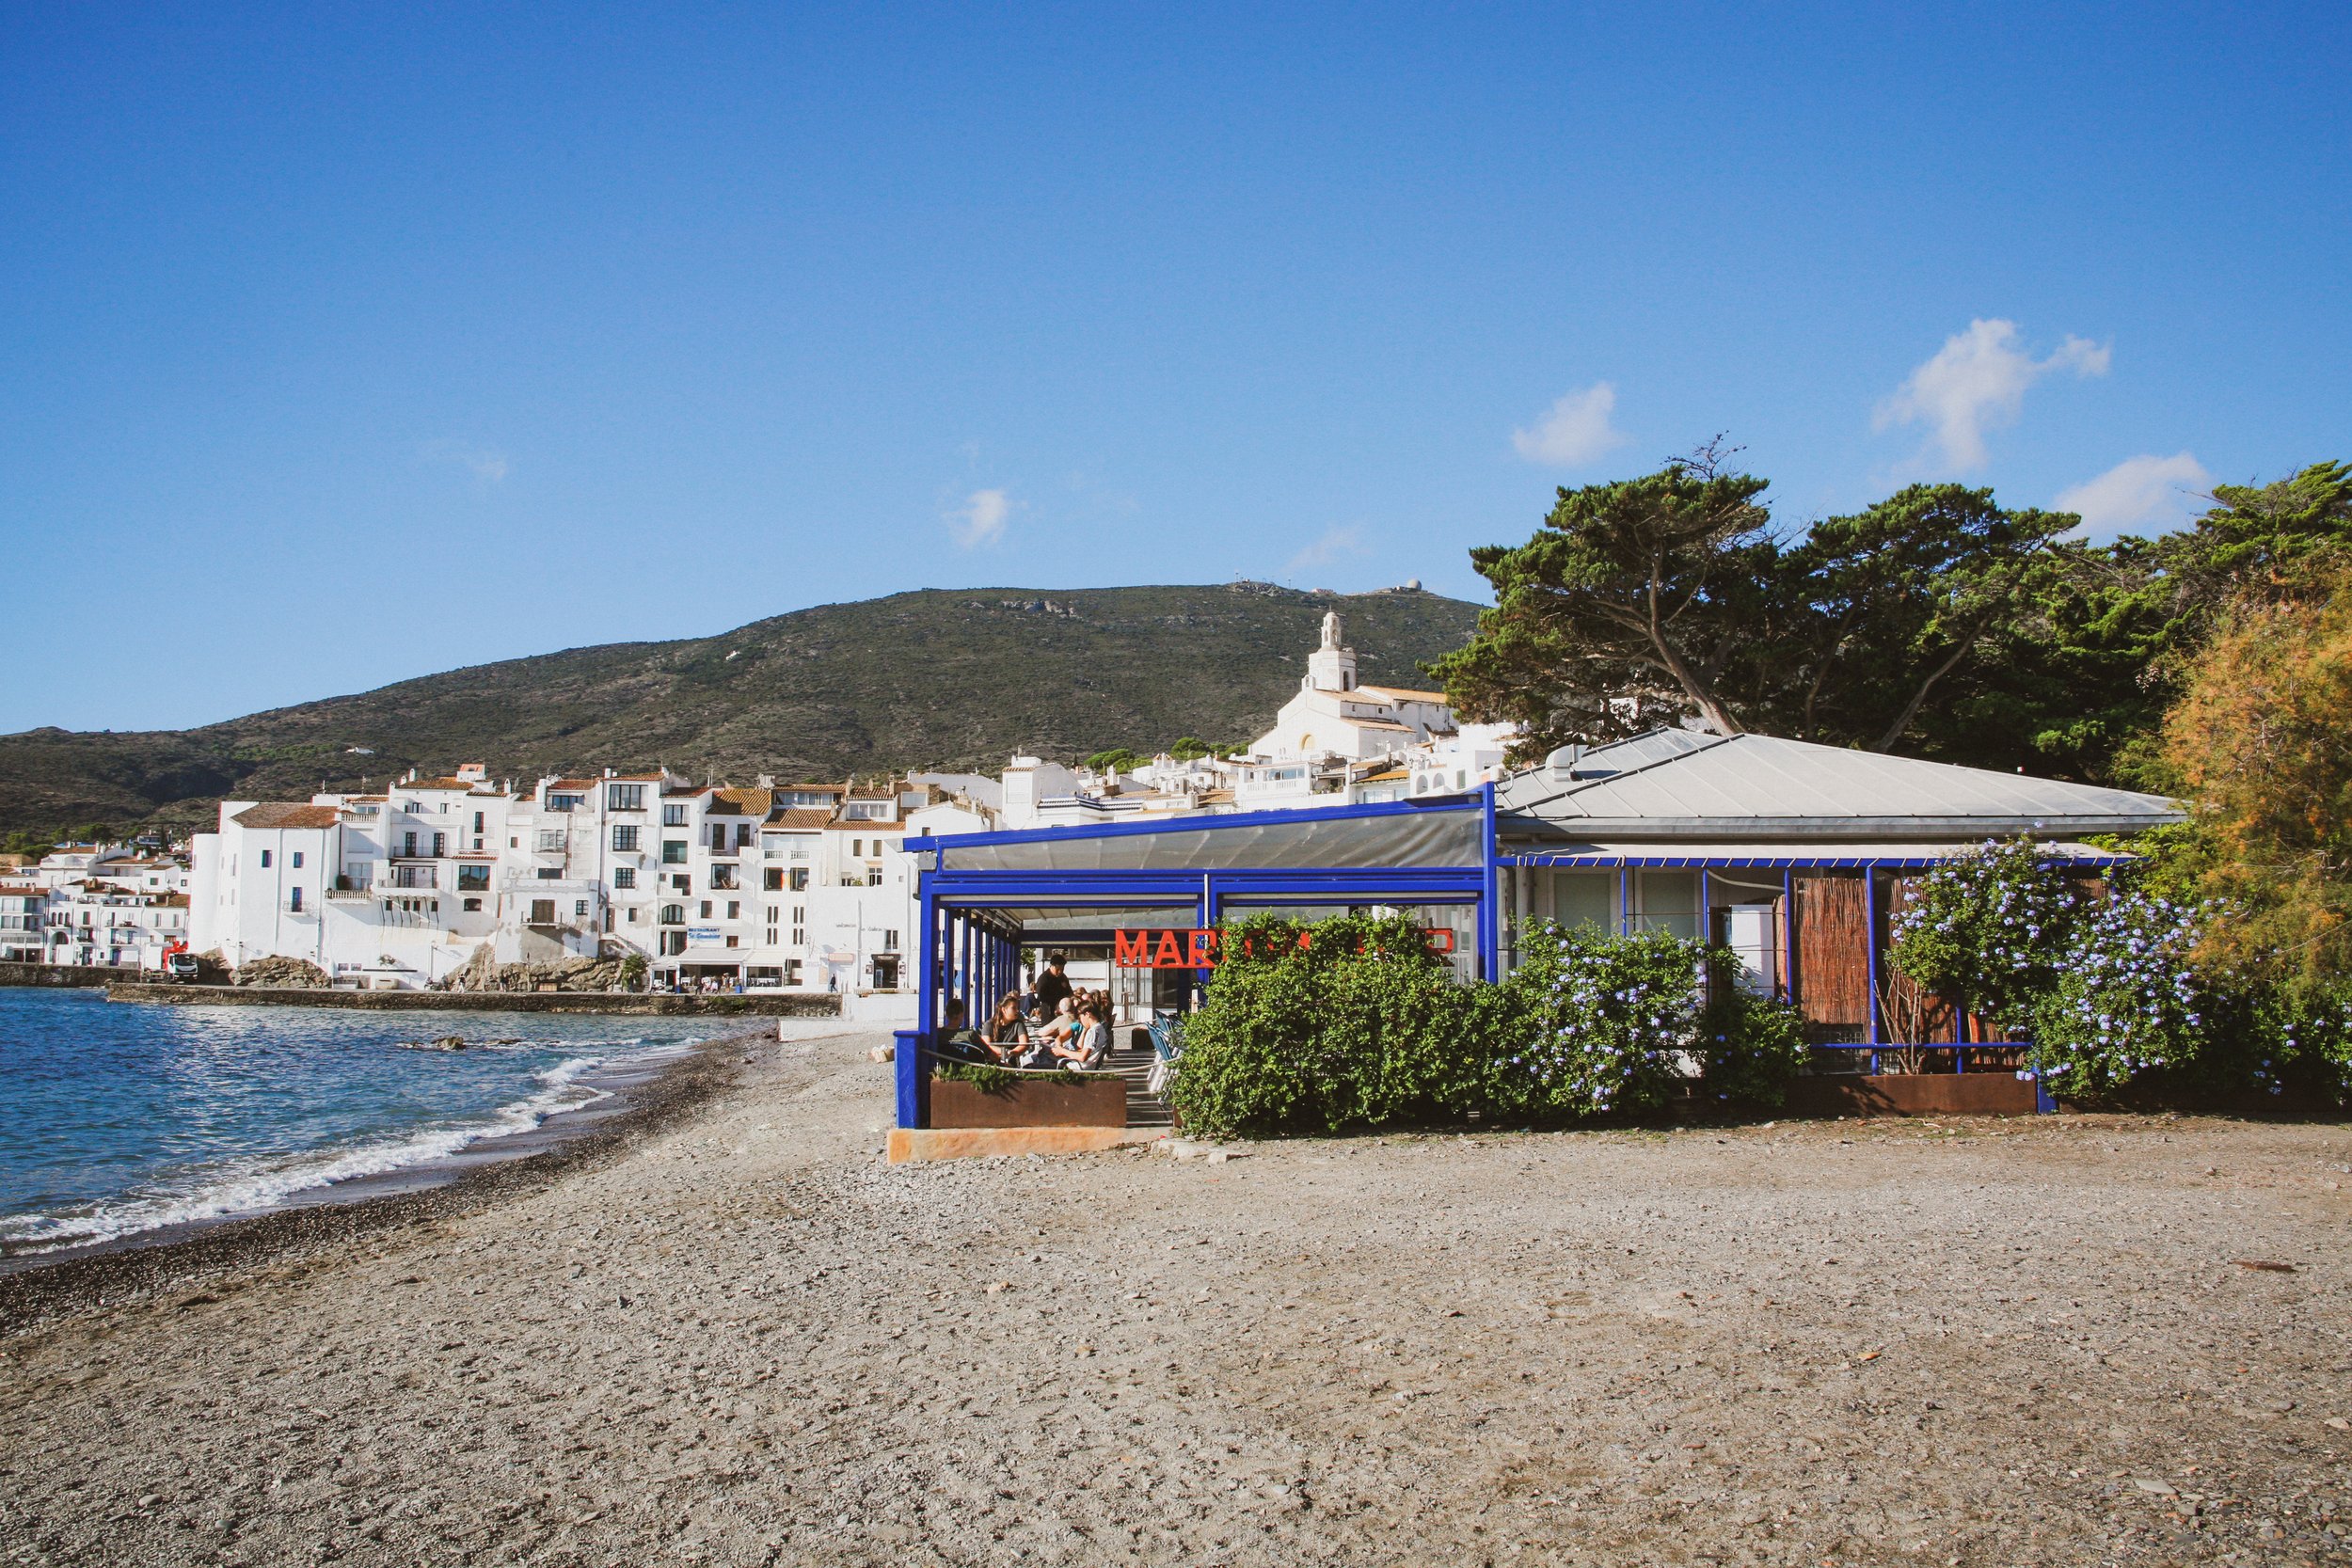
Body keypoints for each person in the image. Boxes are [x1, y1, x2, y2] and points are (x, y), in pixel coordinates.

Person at [1055, 1001, 1110, 1071]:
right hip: (1086, 1066)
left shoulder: (1092, 1032)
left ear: (1087, 1014)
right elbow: (1083, 1050)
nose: (1080, 1021)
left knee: (1048, 1063)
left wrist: (1062, 1051)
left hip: (1078, 1067)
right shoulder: (1100, 1029)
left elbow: (1082, 1057)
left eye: (1080, 1017)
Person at [981, 992, 1035, 1065]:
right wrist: (1004, 1052)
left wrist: (1011, 1054)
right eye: (1014, 1008)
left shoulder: (1018, 1024)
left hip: (1011, 1061)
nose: (1017, 1011)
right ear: (1004, 1010)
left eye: (1017, 1008)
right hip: (992, 1061)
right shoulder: (989, 1025)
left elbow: (1024, 1044)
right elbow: (986, 1045)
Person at [1032, 953, 1073, 1021]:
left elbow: (1069, 991)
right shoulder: (1044, 978)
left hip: (1063, 1013)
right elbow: (1041, 996)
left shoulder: (1063, 977)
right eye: (1058, 969)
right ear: (1051, 966)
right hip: (1049, 1013)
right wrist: (1056, 1002)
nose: (1060, 972)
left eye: (1062, 969)